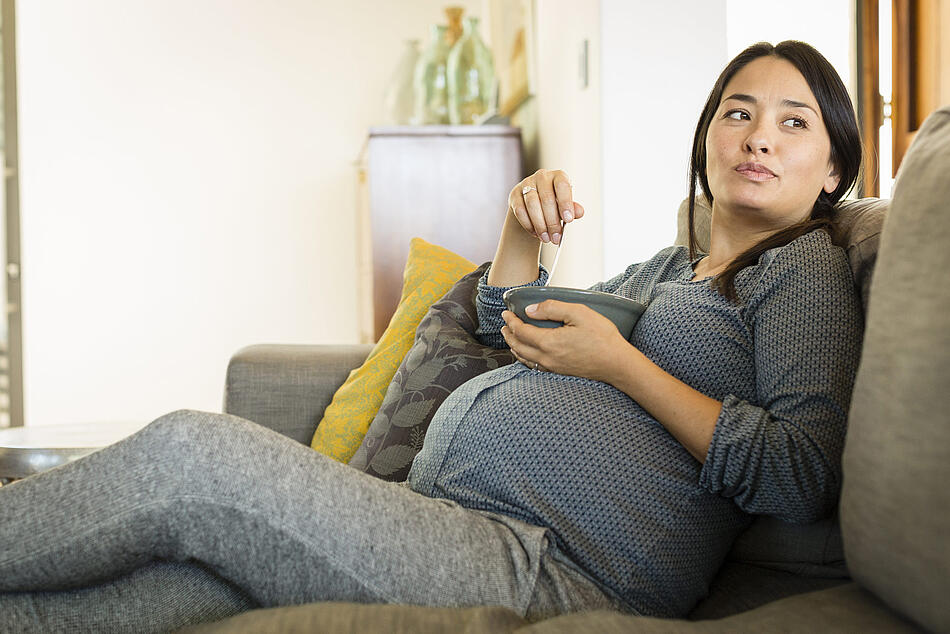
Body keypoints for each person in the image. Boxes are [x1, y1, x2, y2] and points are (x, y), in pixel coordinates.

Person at [0, 40, 864, 631]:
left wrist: (624, 366)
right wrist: (524, 231)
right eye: (737, 112)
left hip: (552, 567)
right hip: (451, 520)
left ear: (832, 168)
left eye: (794, 122)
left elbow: (800, 471)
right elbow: (509, 326)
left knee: (194, 457)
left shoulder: (800, 270)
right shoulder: (668, 269)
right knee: (161, 592)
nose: (758, 137)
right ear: (707, 136)